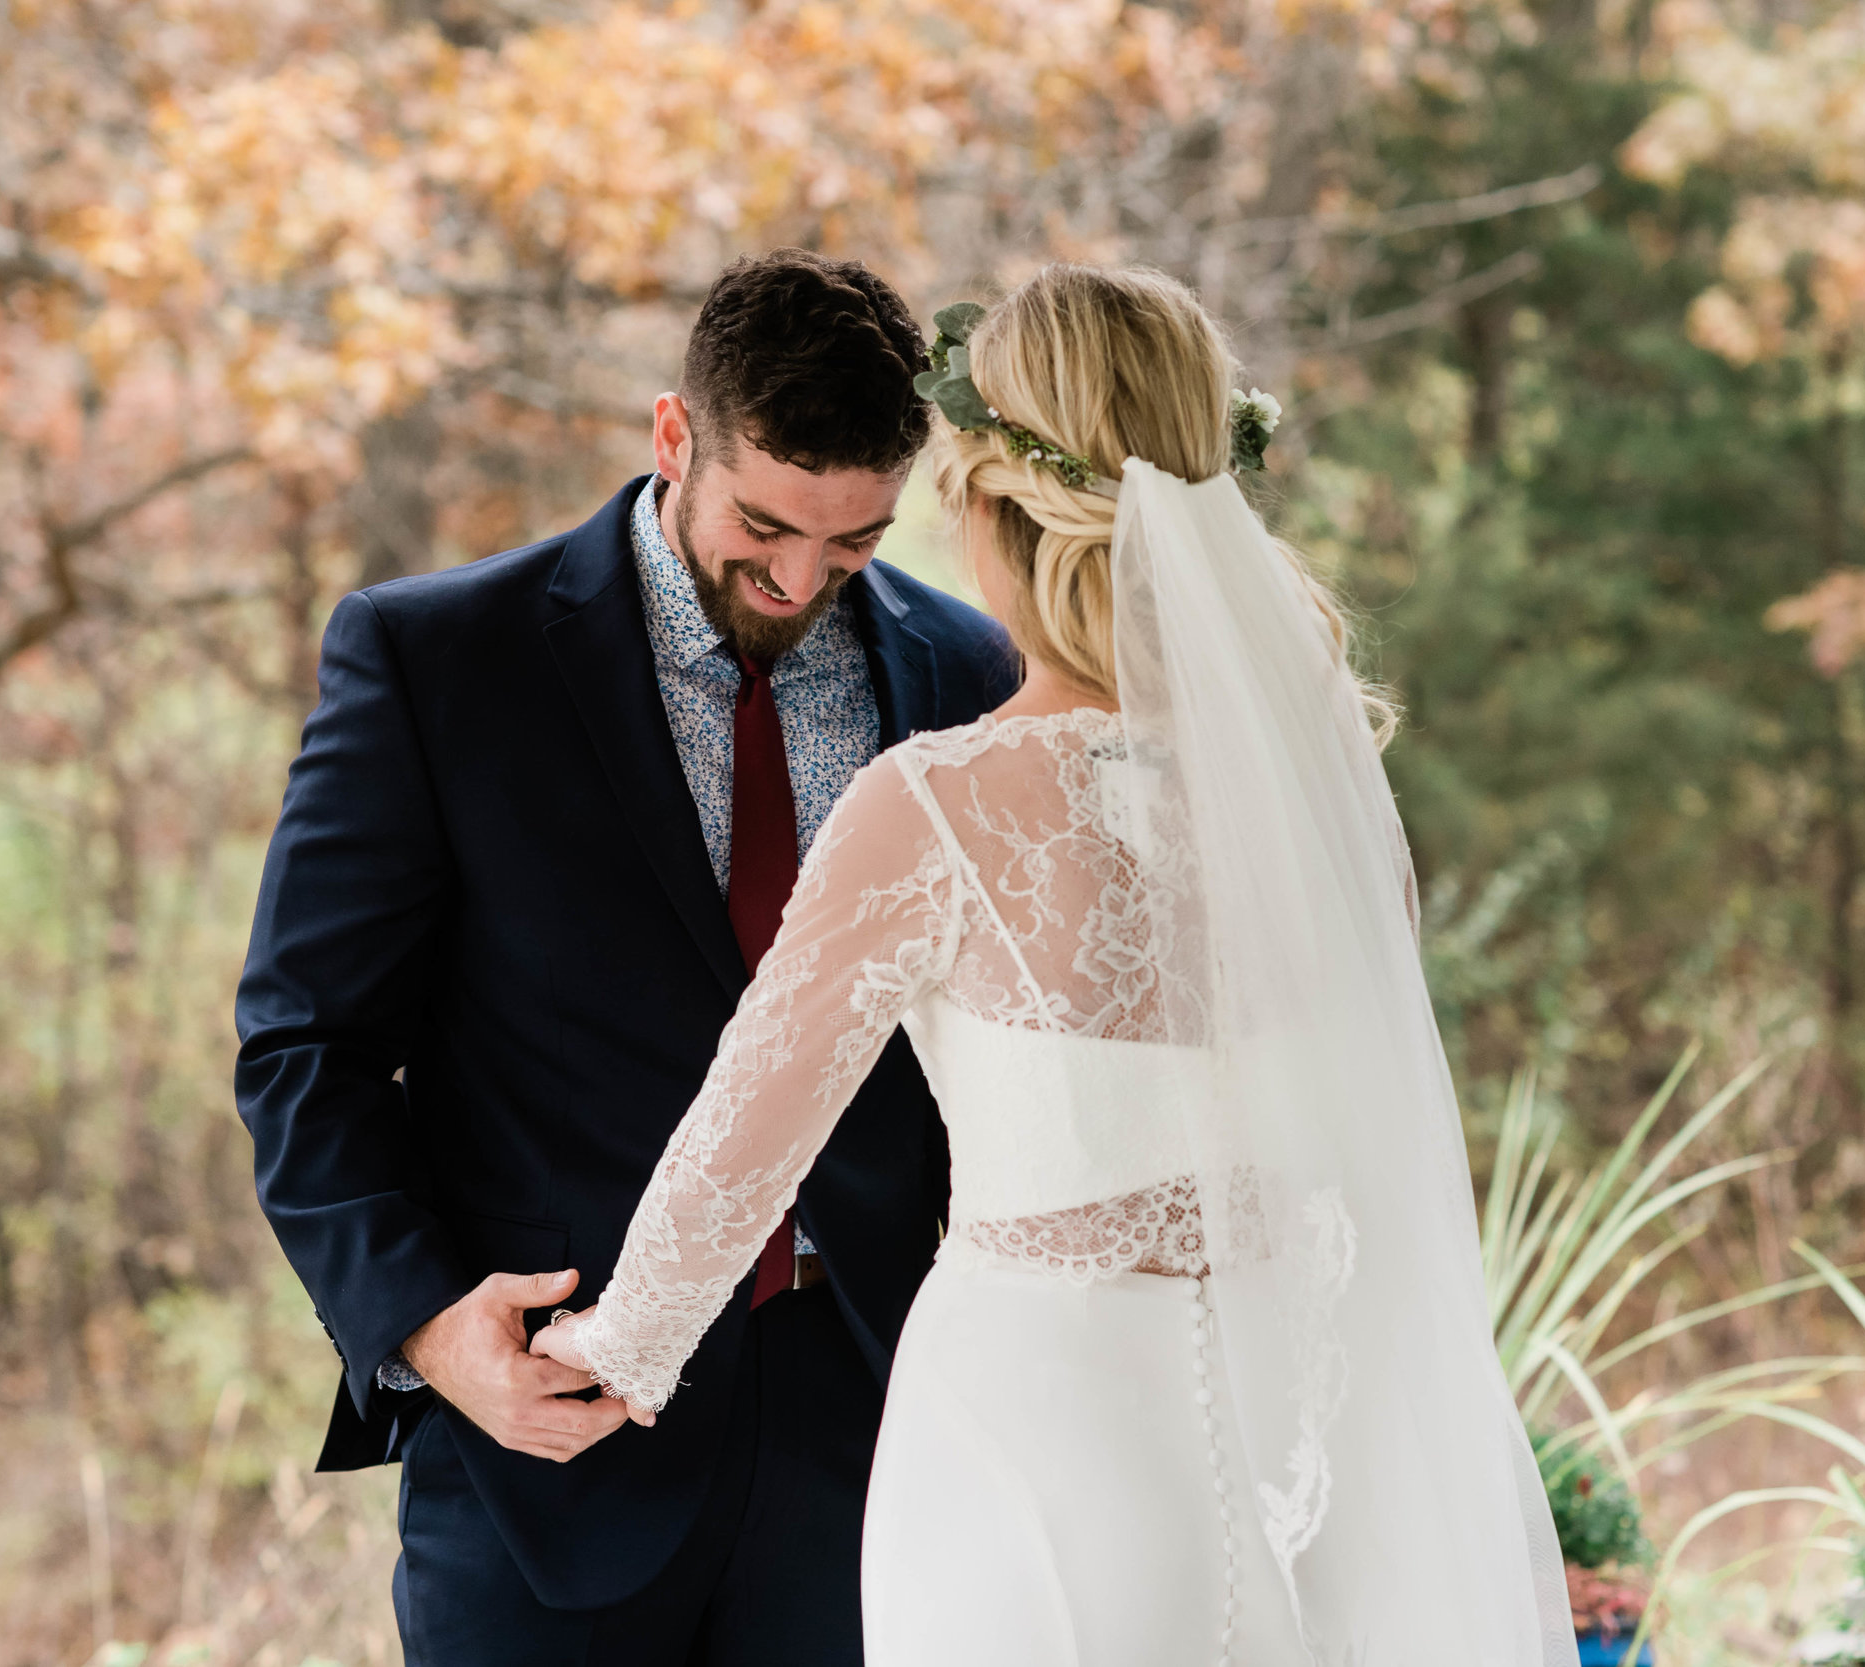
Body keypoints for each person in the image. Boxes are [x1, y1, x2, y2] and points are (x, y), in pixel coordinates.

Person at [535, 264, 1580, 1664]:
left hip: (1034, 1436)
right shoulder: (1317, 788)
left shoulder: (938, 807)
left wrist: (600, 1354)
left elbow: (738, 1152)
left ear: (986, 507)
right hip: (1305, 1443)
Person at [233, 250, 1018, 1665]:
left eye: (854, 546)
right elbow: (309, 1050)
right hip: (551, 1441)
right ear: (675, 436)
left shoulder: (972, 674)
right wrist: (420, 1325)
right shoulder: (437, 659)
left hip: (879, 1432)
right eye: (765, 526)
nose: (797, 581)